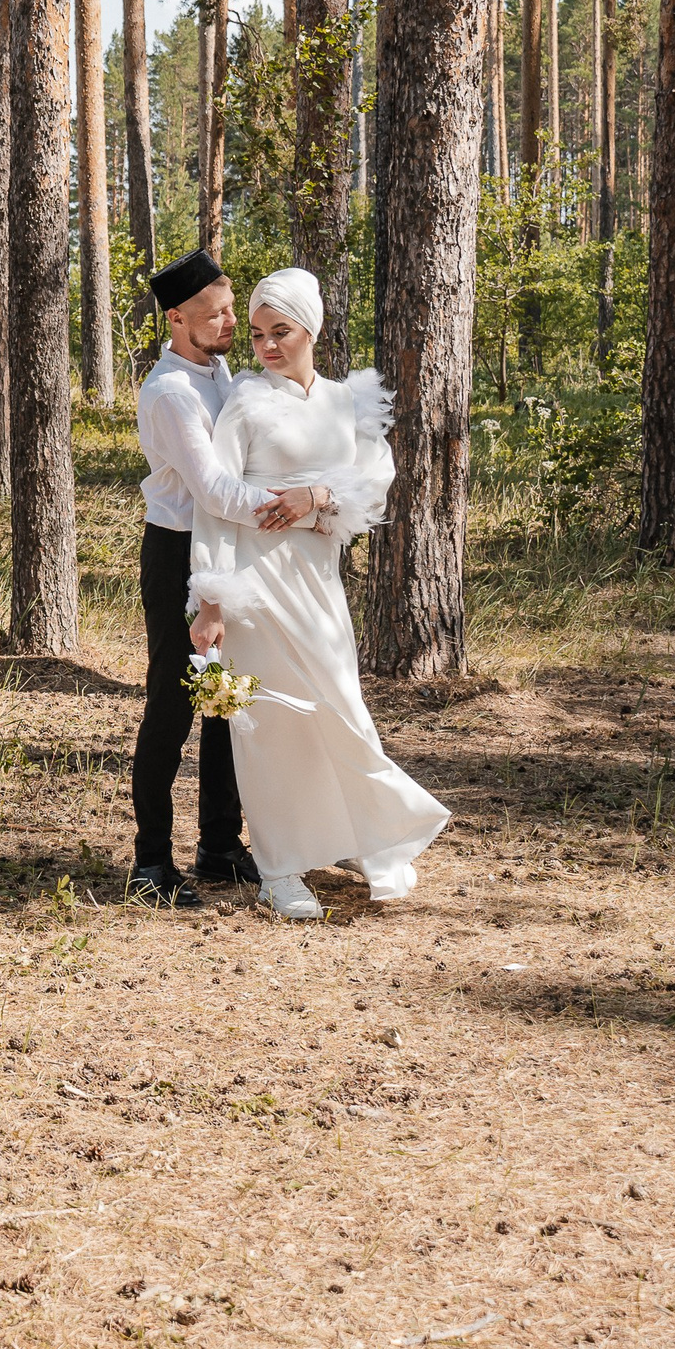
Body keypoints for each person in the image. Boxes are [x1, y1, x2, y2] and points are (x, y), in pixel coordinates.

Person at [191, 267, 452, 920]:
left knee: (342, 712)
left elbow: (374, 483)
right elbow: (215, 505)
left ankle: (367, 836)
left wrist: (319, 497)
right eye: (256, 335)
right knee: (274, 727)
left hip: (319, 579)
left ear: (313, 327)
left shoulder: (345, 402)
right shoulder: (245, 402)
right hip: (256, 581)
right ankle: (280, 868)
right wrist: (213, 601)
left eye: (280, 331)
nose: (267, 347)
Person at [125, 251, 320, 907]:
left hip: (226, 554)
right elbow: (211, 490)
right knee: (174, 705)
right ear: (176, 319)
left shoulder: (219, 371)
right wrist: (288, 506)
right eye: (215, 315)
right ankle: (150, 863)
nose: (232, 322)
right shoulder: (171, 391)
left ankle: (218, 844)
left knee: (227, 703)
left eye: (232, 309)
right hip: (178, 555)